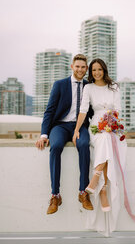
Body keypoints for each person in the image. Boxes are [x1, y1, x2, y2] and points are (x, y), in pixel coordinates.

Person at [73, 58, 135, 236]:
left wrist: (111, 124)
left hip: (113, 124)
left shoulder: (114, 87)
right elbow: (83, 110)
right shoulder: (88, 88)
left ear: (104, 70)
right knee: (103, 140)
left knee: (108, 139)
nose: (96, 73)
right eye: (93, 70)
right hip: (96, 125)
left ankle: (98, 184)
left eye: (99, 70)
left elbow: (117, 110)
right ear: (91, 72)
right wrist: (77, 130)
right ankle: (101, 187)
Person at [35, 54, 94, 214]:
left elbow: (94, 111)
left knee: (84, 145)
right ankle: (55, 195)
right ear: (72, 67)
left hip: (79, 126)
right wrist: (44, 134)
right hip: (60, 126)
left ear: (86, 68)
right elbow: (50, 110)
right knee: (55, 147)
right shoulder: (60, 85)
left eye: (83, 67)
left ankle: (83, 192)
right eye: (77, 66)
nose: (80, 69)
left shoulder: (89, 86)